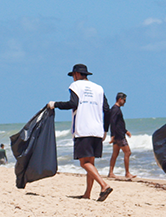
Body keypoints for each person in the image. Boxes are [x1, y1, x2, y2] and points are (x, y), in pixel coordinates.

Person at [48, 63, 113, 201]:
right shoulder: (99, 88)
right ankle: (87, 194)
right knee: (91, 163)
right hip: (97, 130)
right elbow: (107, 110)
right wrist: (105, 129)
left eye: (73, 76)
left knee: (84, 163)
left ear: (76, 74)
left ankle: (104, 185)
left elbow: (73, 104)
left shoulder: (76, 86)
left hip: (83, 129)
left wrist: (55, 104)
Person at [107, 92, 133, 179]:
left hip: (119, 134)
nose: (125, 102)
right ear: (120, 99)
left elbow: (119, 124)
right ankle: (127, 173)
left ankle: (110, 173)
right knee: (128, 152)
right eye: (124, 100)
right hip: (119, 136)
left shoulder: (116, 109)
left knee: (115, 154)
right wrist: (113, 135)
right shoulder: (115, 109)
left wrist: (126, 131)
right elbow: (113, 122)